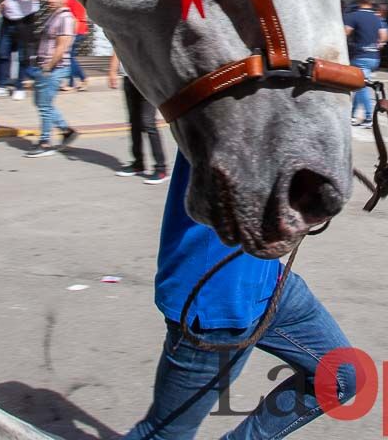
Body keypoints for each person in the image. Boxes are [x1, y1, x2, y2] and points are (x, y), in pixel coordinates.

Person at [124, 153, 357, 440]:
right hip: (215, 300)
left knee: (342, 376)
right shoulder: (222, 110)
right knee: (165, 433)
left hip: (268, 282)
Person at [24, 0, 78, 157]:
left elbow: (62, 47)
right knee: (41, 104)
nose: (50, 0)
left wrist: (47, 68)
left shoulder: (65, 18)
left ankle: (45, 142)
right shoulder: (53, 15)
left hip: (54, 68)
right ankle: (65, 130)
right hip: (45, 66)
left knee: (45, 106)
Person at [110, 55, 168, 183]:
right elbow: (116, 45)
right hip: (129, 78)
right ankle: (138, 164)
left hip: (148, 79)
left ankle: (161, 169)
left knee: (148, 123)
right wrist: (112, 71)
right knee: (134, 123)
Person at [0, 0, 43, 101]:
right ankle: (0, 86)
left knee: (22, 56)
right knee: (2, 54)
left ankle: (19, 87)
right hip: (7, 19)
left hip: (25, 20)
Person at [344, 0, 387, 126]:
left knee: (361, 86)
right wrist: (378, 45)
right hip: (374, 57)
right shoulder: (377, 18)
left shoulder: (354, 16)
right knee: (359, 85)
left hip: (360, 56)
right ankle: (352, 115)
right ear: (371, 3)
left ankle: (369, 117)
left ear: (359, 2)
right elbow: (384, 36)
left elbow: (345, 33)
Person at [64, 0, 89, 91]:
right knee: (68, 56)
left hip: (76, 30)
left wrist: (72, 35)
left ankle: (82, 79)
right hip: (77, 30)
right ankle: (71, 82)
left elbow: (76, 18)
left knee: (68, 57)